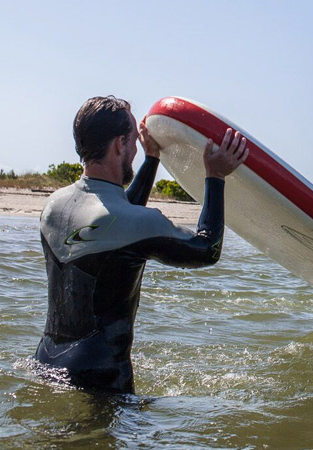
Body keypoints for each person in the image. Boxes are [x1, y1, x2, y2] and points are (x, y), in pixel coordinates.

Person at [35, 95, 249, 392]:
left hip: (46, 361)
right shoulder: (137, 222)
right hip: (102, 377)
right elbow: (207, 248)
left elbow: (114, 218)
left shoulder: (52, 207)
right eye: (135, 140)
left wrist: (152, 159)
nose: (136, 147)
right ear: (120, 144)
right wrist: (215, 176)